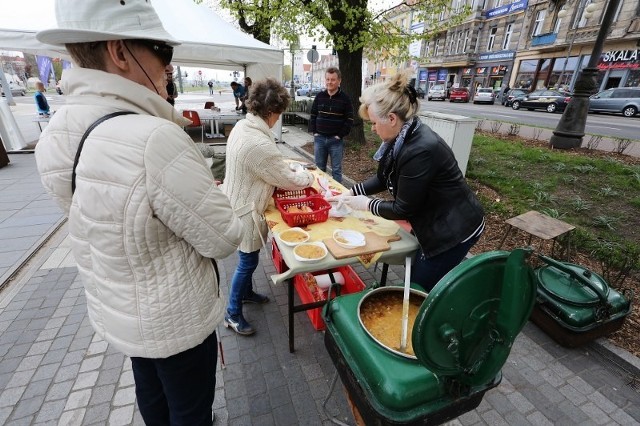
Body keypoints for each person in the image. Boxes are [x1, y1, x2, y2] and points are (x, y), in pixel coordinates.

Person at [34, 1, 244, 424]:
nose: (168, 68)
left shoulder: (55, 133)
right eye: (162, 52)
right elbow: (223, 238)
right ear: (120, 52)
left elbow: (100, 222)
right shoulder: (153, 138)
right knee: (190, 409)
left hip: (119, 311)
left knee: (151, 395)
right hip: (176, 318)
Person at [331, 72, 485, 292]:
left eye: (374, 123)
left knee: (417, 287)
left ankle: (425, 320)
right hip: (434, 218)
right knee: (416, 278)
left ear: (392, 118)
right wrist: (351, 192)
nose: (372, 128)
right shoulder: (402, 136)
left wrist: (365, 204)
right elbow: (384, 178)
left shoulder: (420, 149)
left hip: (454, 228)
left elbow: (404, 208)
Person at [222, 77, 314, 335]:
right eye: (279, 114)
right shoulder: (258, 143)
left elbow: (269, 166)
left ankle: (247, 293)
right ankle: (232, 313)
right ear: (272, 113)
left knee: (246, 259)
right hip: (245, 211)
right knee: (247, 261)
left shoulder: (244, 126)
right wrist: (308, 177)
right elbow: (285, 179)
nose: (278, 120)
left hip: (239, 202)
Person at [308, 67, 353, 183]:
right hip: (320, 139)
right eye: (327, 79)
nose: (329, 82)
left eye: (333, 80)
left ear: (339, 81)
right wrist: (315, 132)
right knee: (319, 169)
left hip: (335, 141)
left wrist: (340, 135)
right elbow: (313, 115)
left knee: (336, 170)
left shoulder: (345, 99)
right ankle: (320, 193)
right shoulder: (319, 96)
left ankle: (337, 197)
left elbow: (349, 119)